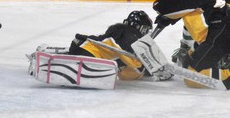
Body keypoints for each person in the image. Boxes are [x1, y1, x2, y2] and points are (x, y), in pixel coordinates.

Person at [28, 10, 158, 81]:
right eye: (145, 30)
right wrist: (148, 67)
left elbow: (126, 72)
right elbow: (129, 58)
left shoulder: (120, 30)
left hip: (83, 45)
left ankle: (47, 53)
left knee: (76, 56)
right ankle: (47, 65)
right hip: (89, 52)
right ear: (139, 27)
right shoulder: (131, 35)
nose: (145, 34)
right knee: (79, 63)